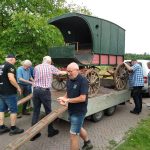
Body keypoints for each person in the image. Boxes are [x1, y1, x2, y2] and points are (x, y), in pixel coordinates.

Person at [57, 62, 93, 150]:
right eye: (67, 71)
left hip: (79, 112)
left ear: (77, 70)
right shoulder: (69, 79)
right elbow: (68, 92)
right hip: (71, 110)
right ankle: (88, 143)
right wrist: (64, 98)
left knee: (73, 136)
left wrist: (67, 100)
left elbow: (82, 98)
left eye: (70, 71)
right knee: (79, 128)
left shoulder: (83, 80)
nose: (68, 73)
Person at [30, 56, 67, 141]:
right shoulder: (50, 67)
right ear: (49, 61)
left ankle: (33, 134)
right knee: (48, 112)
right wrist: (67, 72)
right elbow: (60, 73)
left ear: (43, 61)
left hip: (35, 90)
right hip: (44, 92)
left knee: (36, 111)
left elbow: (35, 77)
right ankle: (50, 131)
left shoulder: (36, 67)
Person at [0, 54, 24, 135]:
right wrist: (18, 87)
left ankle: (1, 127)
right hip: (9, 92)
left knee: (1, 110)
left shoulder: (1, 65)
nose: (15, 61)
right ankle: (13, 129)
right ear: (12, 59)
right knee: (13, 110)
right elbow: (11, 78)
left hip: (1, 92)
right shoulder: (10, 66)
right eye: (15, 60)